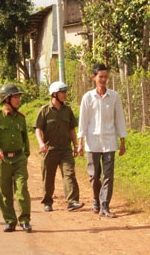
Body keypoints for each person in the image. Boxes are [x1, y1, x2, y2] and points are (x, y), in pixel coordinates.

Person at [77, 63, 127, 218]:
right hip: (92, 142)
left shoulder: (114, 97)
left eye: (105, 77)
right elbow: (83, 121)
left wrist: (122, 141)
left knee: (108, 175)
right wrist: (80, 142)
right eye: (101, 77)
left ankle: (105, 205)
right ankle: (96, 201)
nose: (103, 80)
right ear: (94, 78)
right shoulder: (87, 97)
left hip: (110, 141)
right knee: (94, 175)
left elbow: (120, 119)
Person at [0, 83, 32, 232]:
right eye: (16, 97)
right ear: (6, 99)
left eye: (19, 96)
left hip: (19, 159)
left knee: (22, 190)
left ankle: (25, 220)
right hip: (2, 161)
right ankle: (10, 220)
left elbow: (25, 139)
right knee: (4, 193)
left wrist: (25, 156)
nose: (19, 100)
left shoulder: (21, 117)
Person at [34, 81, 84, 213]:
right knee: (48, 177)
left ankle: (72, 201)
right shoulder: (44, 111)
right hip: (49, 150)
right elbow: (38, 129)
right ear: (54, 94)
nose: (65, 95)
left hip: (65, 150)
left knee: (69, 174)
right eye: (62, 92)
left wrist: (75, 145)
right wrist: (41, 143)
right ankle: (47, 201)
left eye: (65, 92)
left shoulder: (67, 110)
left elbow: (72, 129)